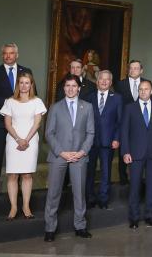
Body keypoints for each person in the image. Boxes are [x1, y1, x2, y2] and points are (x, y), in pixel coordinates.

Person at [43, 75, 95, 242]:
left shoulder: (87, 107)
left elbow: (90, 133)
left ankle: (80, 226)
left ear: (79, 88)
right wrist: (62, 152)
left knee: (79, 193)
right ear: (64, 88)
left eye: (74, 86)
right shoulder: (55, 107)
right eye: (67, 86)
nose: (71, 89)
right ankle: (50, 228)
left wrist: (82, 151)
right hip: (59, 156)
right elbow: (49, 133)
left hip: (79, 156)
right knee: (53, 193)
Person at [0, 43, 33, 200]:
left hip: (21, 123)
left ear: (17, 55)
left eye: (11, 53)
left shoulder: (26, 71)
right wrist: (5, 101)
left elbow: (33, 93)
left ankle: (19, 189)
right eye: (5, 53)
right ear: (2, 55)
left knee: (19, 155)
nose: (8, 56)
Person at [120, 79, 152, 229]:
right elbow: (124, 132)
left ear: (151, 91)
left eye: (146, 89)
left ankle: (149, 216)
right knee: (134, 186)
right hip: (135, 154)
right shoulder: (129, 108)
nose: (143, 91)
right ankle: (134, 218)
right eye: (140, 89)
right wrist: (125, 152)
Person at [0, 71, 45, 220]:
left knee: (27, 174)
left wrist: (26, 140)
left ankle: (26, 206)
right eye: (21, 83)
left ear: (31, 85)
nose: (24, 86)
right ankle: (13, 207)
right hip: (13, 141)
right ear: (18, 85)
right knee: (12, 175)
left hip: (30, 141)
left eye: (27, 83)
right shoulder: (10, 101)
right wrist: (19, 139)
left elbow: (37, 123)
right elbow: (7, 124)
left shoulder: (37, 101)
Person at [85, 70, 122, 209]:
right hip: (90, 142)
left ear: (110, 82)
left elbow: (120, 121)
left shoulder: (117, 98)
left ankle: (103, 199)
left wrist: (117, 138)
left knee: (106, 172)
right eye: (101, 79)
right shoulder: (89, 97)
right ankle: (89, 198)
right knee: (89, 172)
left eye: (107, 79)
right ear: (97, 81)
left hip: (108, 141)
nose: (104, 81)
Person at [115, 60, 148, 186]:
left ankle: (140, 180)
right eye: (131, 68)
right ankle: (123, 180)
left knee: (142, 151)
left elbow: (151, 104)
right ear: (128, 70)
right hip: (125, 123)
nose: (133, 70)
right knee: (124, 150)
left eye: (136, 68)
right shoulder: (120, 84)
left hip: (142, 124)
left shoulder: (147, 84)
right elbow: (117, 105)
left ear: (141, 70)